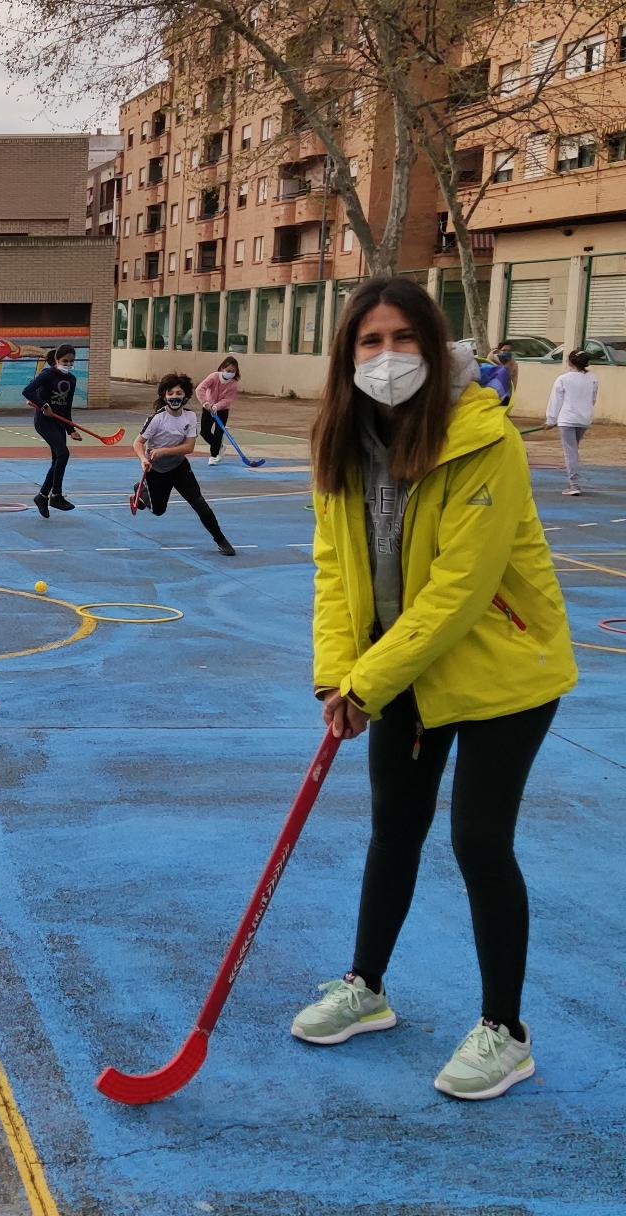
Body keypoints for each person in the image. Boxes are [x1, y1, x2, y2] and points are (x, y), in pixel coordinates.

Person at [292, 276, 576, 1102]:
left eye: (403, 339)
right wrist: (335, 678)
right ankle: (366, 988)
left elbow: (456, 593)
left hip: (501, 675)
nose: (386, 357)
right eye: (369, 342)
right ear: (348, 355)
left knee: (479, 842)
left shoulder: (484, 441)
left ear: (433, 343)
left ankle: (505, 1031)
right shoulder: (343, 443)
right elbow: (336, 574)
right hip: (401, 670)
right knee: (394, 830)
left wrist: (368, 683)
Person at [132, 374, 236, 555]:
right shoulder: (156, 419)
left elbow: (189, 447)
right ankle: (142, 491)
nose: (174, 396)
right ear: (164, 396)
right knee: (158, 511)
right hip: (157, 470)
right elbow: (138, 443)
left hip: (179, 467)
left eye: (178, 393)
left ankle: (220, 539)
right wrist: (143, 459)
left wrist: (163, 451)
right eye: (170, 393)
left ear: (185, 396)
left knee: (199, 503)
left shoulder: (189, 417)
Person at [22, 343, 80, 517]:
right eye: (65, 361)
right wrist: (44, 405)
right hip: (44, 421)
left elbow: (66, 407)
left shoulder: (72, 379)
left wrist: (71, 430)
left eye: (71, 361)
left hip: (59, 423)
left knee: (58, 459)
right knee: (63, 453)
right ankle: (56, 495)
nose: (68, 364)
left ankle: (42, 496)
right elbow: (28, 391)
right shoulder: (47, 374)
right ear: (56, 359)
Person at [543, 349, 597, 496]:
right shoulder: (592, 378)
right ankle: (573, 482)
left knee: (570, 451)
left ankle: (574, 485)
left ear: (570, 362)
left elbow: (555, 401)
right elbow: (592, 399)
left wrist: (550, 420)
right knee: (573, 450)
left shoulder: (563, 379)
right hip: (583, 419)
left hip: (567, 419)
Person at [195, 355, 242, 465]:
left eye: (233, 371)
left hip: (222, 410)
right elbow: (200, 388)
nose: (230, 373)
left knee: (218, 433)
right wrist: (206, 403)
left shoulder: (233, 384)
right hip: (208, 408)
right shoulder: (214, 377)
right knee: (204, 432)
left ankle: (214, 455)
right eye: (228, 370)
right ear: (222, 368)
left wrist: (217, 406)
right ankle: (219, 446)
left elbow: (228, 399)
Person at [479, 341, 518, 407]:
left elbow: (513, 382)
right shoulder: (491, 360)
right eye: (504, 350)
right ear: (499, 351)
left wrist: (510, 397)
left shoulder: (513, 364)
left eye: (509, 351)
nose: (507, 352)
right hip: (489, 395)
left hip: (505, 396)